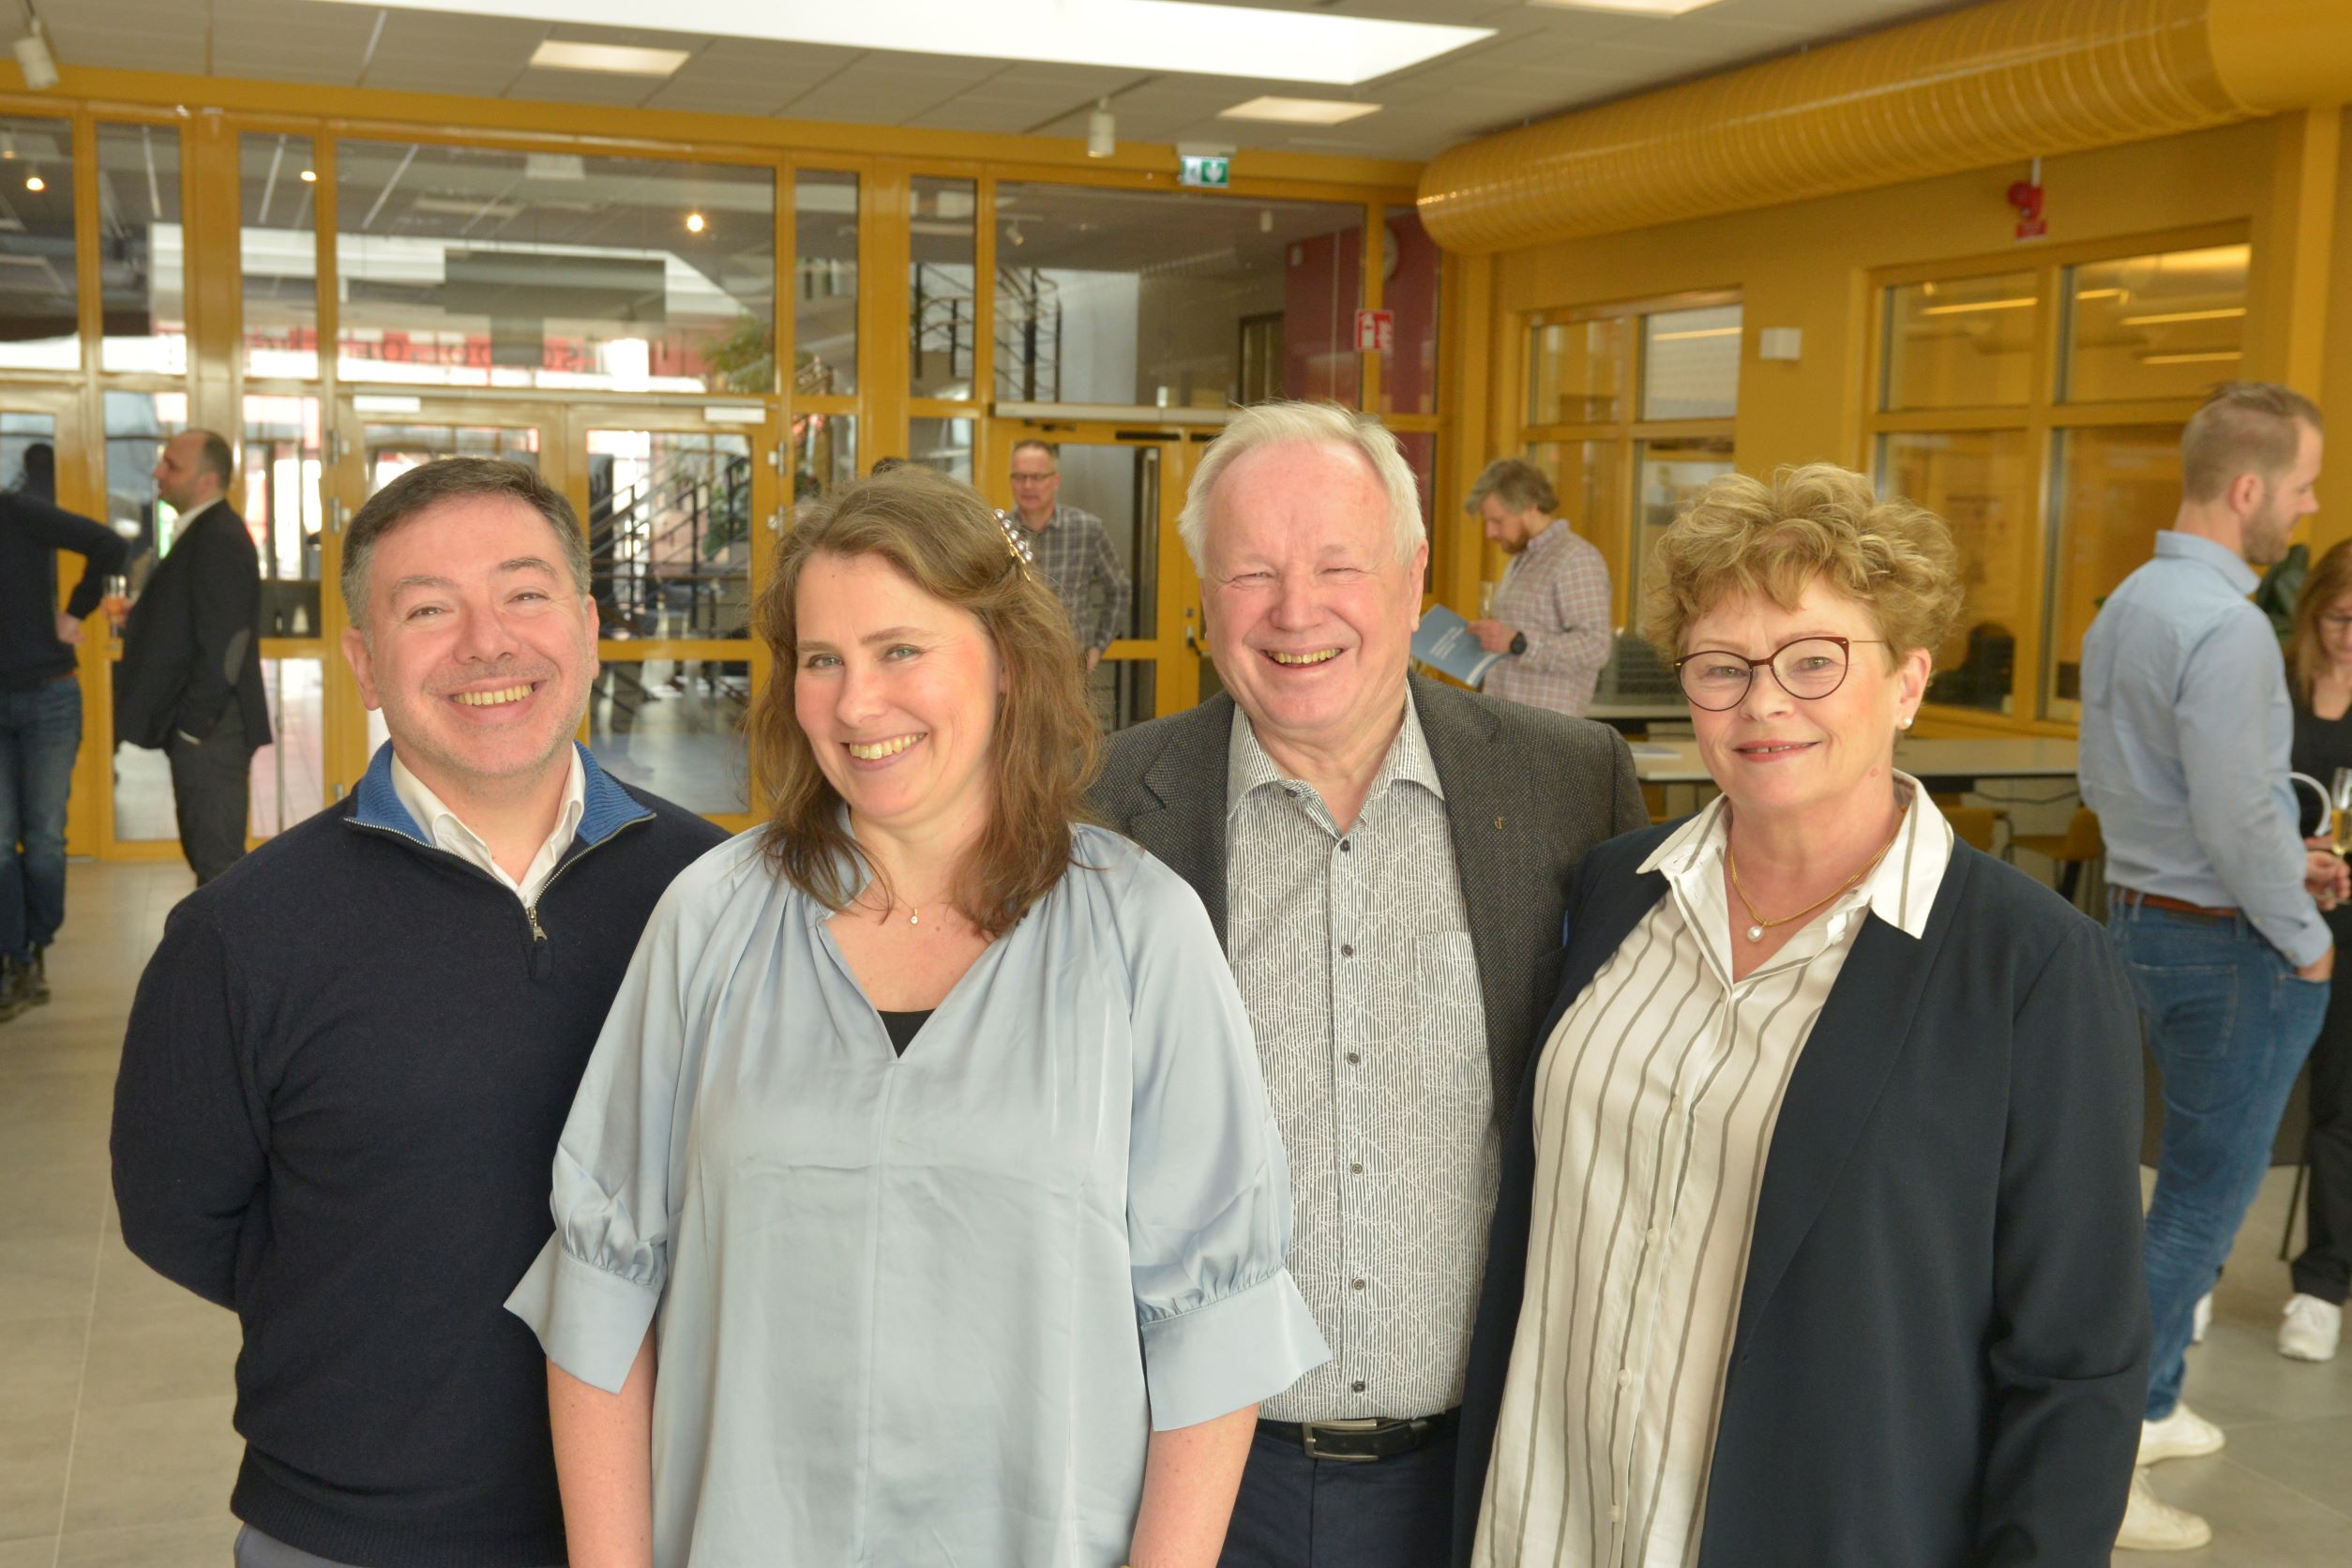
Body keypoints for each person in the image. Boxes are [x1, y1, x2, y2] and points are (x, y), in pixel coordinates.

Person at [509, 466, 1325, 1567]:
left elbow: (1213, 1329)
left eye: (901, 650)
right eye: (821, 660)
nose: (856, 704)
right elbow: (603, 1292)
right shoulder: (711, 917)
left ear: (1006, 660)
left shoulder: (1141, 931)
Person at [1455, 463, 2148, 1568]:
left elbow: (2075, 1365)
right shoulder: (1613, 889)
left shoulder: (2031, 968)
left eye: (1816, 661)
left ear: (1910, 681)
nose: (1764, 702)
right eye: (1722, 666)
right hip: (1545, 1521)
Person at [112, 459, 725, 1568]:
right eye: (429, 609)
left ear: (587, 628)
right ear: (364, 663)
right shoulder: (241, 935)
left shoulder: (719, 894)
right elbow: (177, 1217)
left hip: (676, 1511)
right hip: (360, 1528)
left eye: (525, 594)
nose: (488, 643)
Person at [1092, 402, 1646, 1568]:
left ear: (1414, 578)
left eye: (1338, 565)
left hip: (1481, 1481)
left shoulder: (1569, 786)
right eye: (1251, 573)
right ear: (1202, 597)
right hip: (1184, 1482)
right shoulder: (1100, 808)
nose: (1297, 612)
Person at [2079, 380, 2344, 1552]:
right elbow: (2239, 816)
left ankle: (2161, 1394)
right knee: (2198, 1203)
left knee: (2167, 1184)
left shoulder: (2133, 600)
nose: (2310, 502)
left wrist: (2270, 867)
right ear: (2248, 490)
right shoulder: (2230, 626)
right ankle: (2109, 1450)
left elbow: (2165, 792)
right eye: (2302, 485)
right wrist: (2306, 932)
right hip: (2228, 942)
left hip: (2143, 911)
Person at [114, 429, 273, 884]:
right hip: (207, 729)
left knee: (218, 867)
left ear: (206, 480)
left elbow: (228, 640)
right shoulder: (201, 531)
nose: (157, 473)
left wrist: (193, 727)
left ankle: (232, 957)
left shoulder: (218, 536)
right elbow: (196, 618)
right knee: (208, 856)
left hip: (213, 730)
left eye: (172, 466)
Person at [0, 460, 127, 1018]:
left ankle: (36, 941)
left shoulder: (15, 511)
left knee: (45, 837)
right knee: (0, 843)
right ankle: (14, 956)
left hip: (48, 696)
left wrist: (74, 613)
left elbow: (108, 544)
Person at [2280, 537, 2352, 1364]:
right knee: (2239, 1110)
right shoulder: (2273, 689)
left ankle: (2321, 1286)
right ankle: (2193, 1276)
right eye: (2335, 617)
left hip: (2346, 921)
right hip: (2264, 918)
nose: (2344, 638)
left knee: (2341, 1109)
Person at [1461, 459, 1612, 717]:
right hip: (1506, 722)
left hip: (1547, 732)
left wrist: (1519, 643)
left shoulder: (1575, 558)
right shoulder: (1521, 560)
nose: (1489, 532)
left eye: (1497, 521)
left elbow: (1596, 647)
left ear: (1530, 507)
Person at [1009, 438, 1131, 670]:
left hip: (1070, 664)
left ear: (1055, 481)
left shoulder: (1087, 529)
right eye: (1019, 476)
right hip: (1017, 666)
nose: (1027, 486)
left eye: (1037, 477)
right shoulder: (999, 532)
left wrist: (1097, 648)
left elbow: (1119, 590)